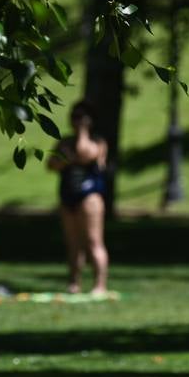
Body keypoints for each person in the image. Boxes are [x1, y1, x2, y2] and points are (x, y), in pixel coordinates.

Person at [46, 101, 110, 294]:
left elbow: (84, 153)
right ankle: (74, 283)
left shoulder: (98, 141)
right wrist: (65, 159)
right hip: (68, 196)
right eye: (74, 116)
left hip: (90, 197)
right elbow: (51, 165)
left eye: (80, 117)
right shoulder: (64, 142)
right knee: (73, 244)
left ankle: (100, 285)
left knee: (93, 241)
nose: (75, 120)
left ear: (90, 120)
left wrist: (83, 131)